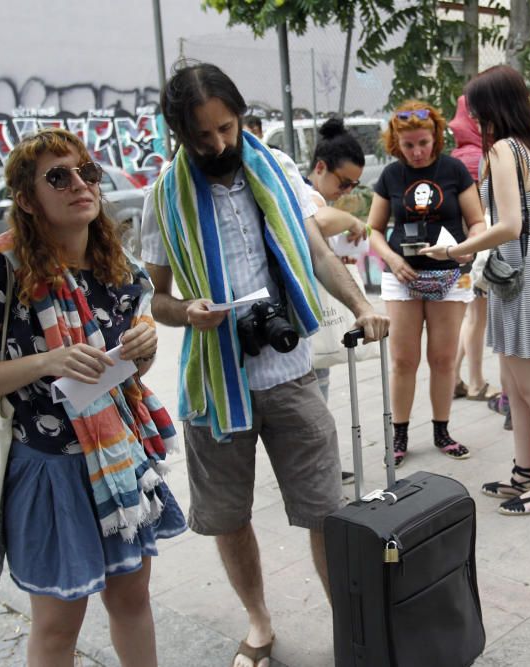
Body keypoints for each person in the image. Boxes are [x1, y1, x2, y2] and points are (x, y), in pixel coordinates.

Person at [141, 63, 388, 667]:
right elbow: (157, 299)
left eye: (226, 128)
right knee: (228, 517)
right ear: (179, 133)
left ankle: (349, 630)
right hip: (214, 382)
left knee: (326, 512)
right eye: (203, 136)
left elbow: (316, 250)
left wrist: (362, 305)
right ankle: (259, 623)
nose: (219, 145)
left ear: (240, 116)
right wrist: (187, 310)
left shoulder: (275, 169)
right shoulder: (161, 199)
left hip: (292, 372)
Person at [0, 127, 186, 666]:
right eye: (59, 176)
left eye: (87, 172)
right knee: (58, 626)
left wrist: (144, 347)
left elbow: (129, 370)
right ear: (28, 200)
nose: (80, 184)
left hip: (118, 458)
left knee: (131, 599)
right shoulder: (0, 267)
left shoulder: (119, 267)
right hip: (46, 468)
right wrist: (47, 361)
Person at [422, 65, 530, 515]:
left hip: (522, 276)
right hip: (525, 273)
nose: (472, 118)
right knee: (515, 387)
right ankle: (525, 475)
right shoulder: (529, 147)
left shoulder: (504, 150)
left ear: (492, 108)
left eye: (476, 110)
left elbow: (510, 225)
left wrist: (455, 251)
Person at [365, 99, 486, 467]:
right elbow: (373, 229)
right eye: (409, 145)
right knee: (403, 360)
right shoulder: (390, 176)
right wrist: (392, 258)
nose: (417, 152)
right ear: (396, 144)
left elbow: (477, 222)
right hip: (403, 277)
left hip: (449, 274)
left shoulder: (453, 170)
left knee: (443, 358)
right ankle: (399, 435)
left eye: (423, 143)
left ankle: (442, 430)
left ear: (435, 137)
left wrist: (464, 250)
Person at [305, 116, 370, 485]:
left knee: (319, 390)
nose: (345, 191)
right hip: (308, 316)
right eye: (343, 182)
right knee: (315, 396)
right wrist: (349, 219)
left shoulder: (309, 190)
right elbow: (319, 219)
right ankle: (319, 471)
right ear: (320, 168)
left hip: (314, 309)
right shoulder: (307, 194)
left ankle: (322, 467)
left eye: (353, 185)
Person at [448, 94, 501, 404]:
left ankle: (454, 378)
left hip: (457, 248)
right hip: (476, 249)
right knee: (475, 318)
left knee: (469, 316)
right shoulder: (481, 157)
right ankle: (476, 382)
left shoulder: (455, 156)